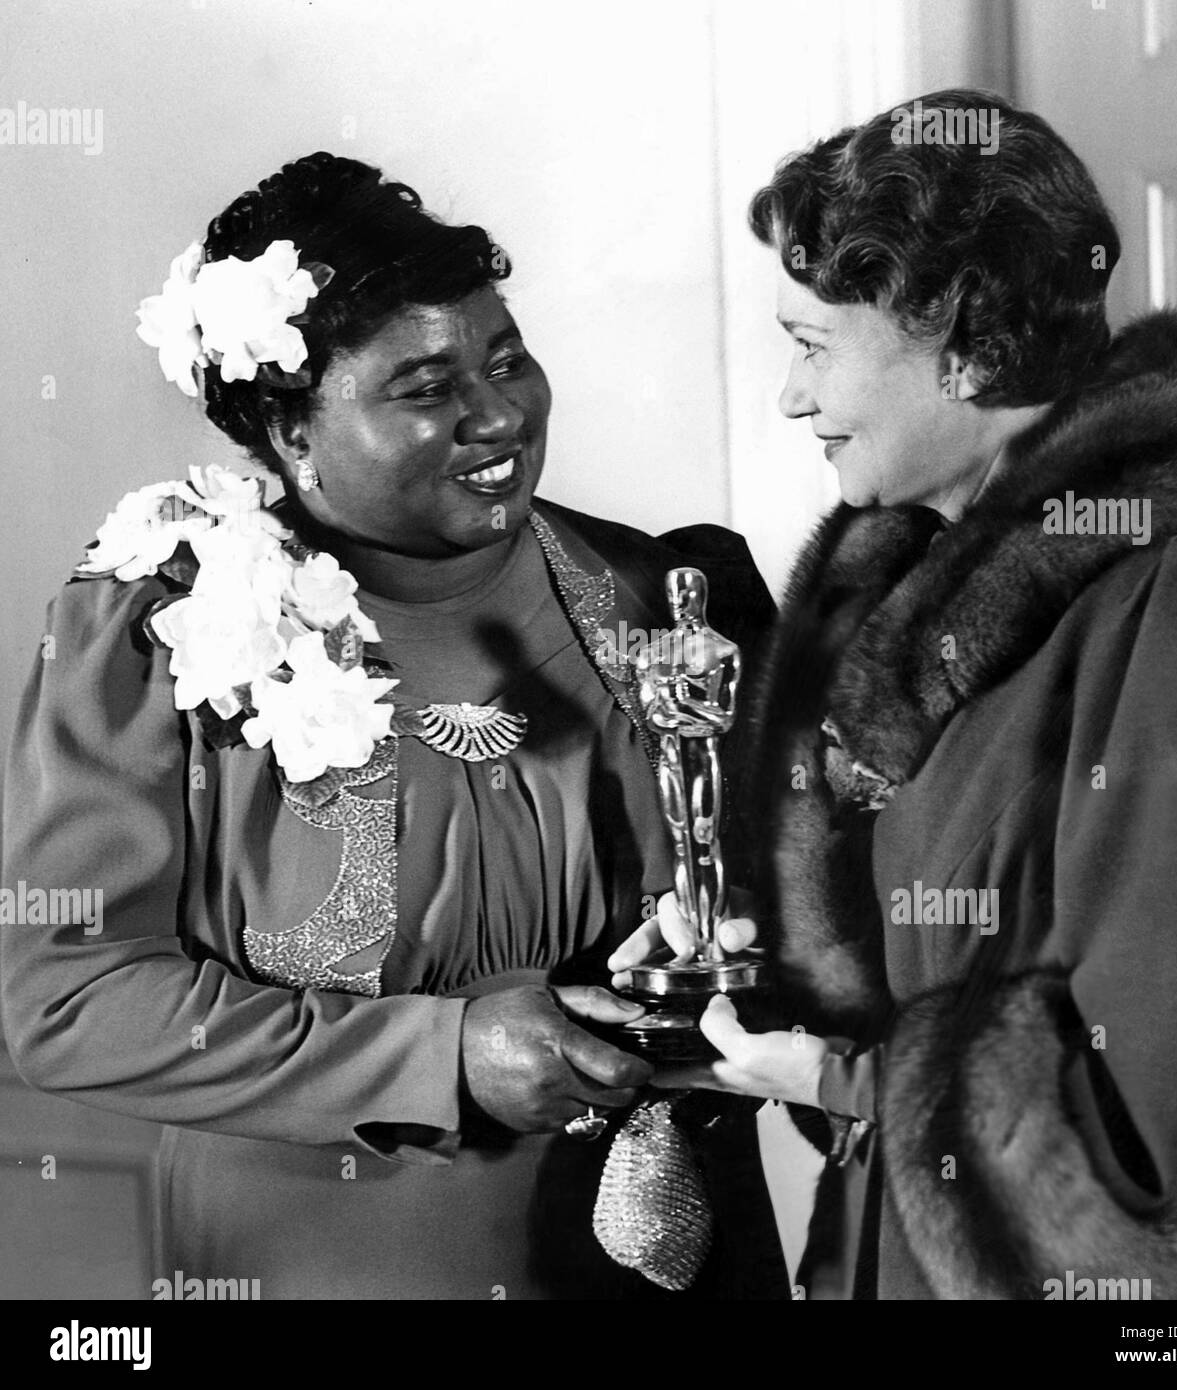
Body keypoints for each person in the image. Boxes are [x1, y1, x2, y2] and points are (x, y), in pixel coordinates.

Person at [0, 152, 785, 1300]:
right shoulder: (164, 627)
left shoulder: (660, 590)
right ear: (289, 431)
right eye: (424, 390)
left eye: (506, 357)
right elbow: (65, 1000)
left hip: (659, 1240)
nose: (496, 412)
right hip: (322, 1258)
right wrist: (441, 1055)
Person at [614, 89, 1177, 1299]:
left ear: (968, 344)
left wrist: (841, 1082)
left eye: (815, 344)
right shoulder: (898, 575)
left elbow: (1157, 1091)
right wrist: (744, 973)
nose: (787, 396)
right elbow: (914, 954)